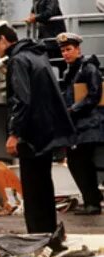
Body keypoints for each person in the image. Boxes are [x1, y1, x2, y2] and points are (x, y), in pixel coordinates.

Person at [0, 21, 75, 234]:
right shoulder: (37, 54)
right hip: (46, 132)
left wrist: (14, 134)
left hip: (31, 135)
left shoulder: (19, 60)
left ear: (2, 39)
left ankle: (37, 235)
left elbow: (21, 100)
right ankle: (49, 232)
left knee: (32, 191)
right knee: (44, 185)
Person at [57, 32, 103, 216]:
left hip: (88, 125)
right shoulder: (72, 71)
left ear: (78, 49)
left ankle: (92, 202)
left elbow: (94, 94)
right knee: (80, 163)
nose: (65, 54)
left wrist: (73, 109)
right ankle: (92, 199)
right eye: (63, 51)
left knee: (79, 162)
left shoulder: (88, 69)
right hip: (79, 125)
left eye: (69, 49)